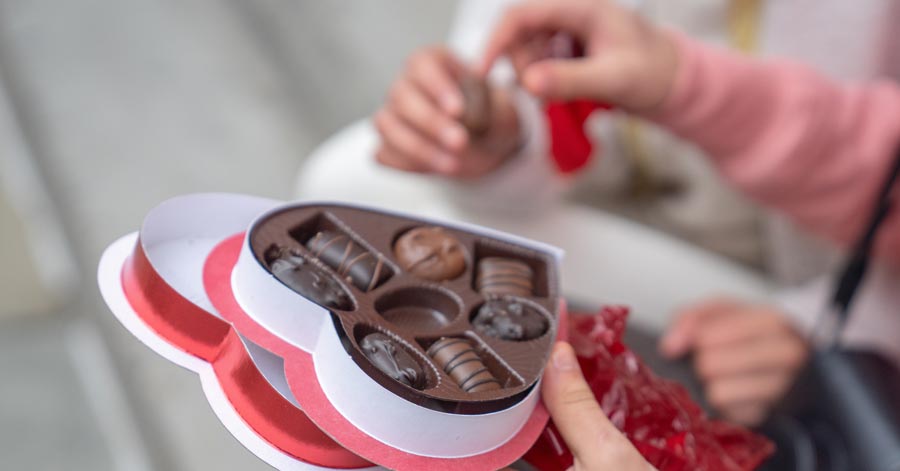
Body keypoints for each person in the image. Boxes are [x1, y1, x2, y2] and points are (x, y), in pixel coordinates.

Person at [370, 0, 900, 427]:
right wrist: (496, 142)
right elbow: (511, 89)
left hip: (817, 297)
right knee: (364, 179)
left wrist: (828, 330)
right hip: (619, 239)